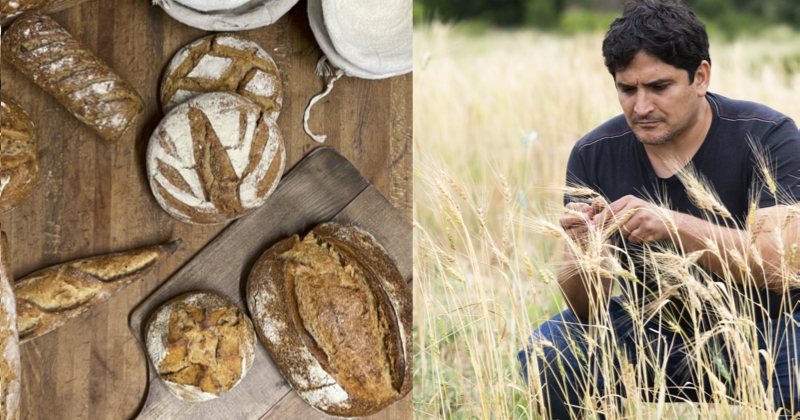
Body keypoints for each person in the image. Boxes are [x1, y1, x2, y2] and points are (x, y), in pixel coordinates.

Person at [517, 1, 800, 419]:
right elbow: (586, 309)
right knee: (552, 353)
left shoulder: (768, 136)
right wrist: (584, 252)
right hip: (653, 330)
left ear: (700, 77)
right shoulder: (593, 154)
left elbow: (780, 265)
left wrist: (671, 225)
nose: (641, 107)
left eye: (659, 87)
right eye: (627, 90)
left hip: (770, 330)